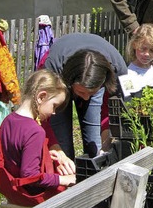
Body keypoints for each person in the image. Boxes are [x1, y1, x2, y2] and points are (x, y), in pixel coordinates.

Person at [0, 69, 76, 207]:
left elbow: (16, 156)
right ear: (41, 97)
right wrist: (63, 179)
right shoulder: (35, 131)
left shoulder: (8, 120)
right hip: (33, 195)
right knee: (78, 201)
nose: (53, 112)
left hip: (13, 190)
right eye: (54, 106)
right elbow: (30, 176)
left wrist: (45, 155)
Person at [42, 33, 128, 166]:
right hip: (59, 80)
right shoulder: (51, 67)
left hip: (93, 77)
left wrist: (107, 139)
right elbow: (42, 115)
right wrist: (56, 149)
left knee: (95, 145)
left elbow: (113, 109)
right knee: (62, 144)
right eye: (81, 92)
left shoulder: (118, 69)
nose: (86, 97)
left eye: (91, 92)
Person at [126, 23, 153, 88]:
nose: (147, 54)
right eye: (143, 49)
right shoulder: (128, 72)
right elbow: (128, 96)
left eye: (152, 50)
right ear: (134, 45)